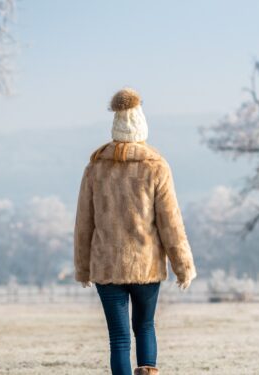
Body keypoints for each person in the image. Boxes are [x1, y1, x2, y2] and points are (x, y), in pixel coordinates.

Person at [74, 88, 196, 375]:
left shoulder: (95, 168)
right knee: (144, 327)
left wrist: (82, 268)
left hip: (106, 267)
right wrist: (183, 266)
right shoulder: (157, 167)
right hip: (146, 266)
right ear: (141, 127)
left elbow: (83, 223)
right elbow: (171, 223)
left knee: (118, 340)